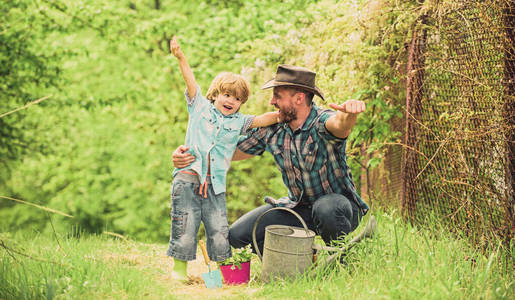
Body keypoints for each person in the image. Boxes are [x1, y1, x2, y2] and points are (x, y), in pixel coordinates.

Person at [172, 64, 369, 257]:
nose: (272, 102)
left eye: (278, 96)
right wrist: (188, 157)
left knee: (325, 208)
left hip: (340, 209)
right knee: (236, 236)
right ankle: (296, 262)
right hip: (298, 209)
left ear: (299, 98)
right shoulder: (273, 129)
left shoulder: (321, 121)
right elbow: (225, 151)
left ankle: (344, 261)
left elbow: (340, 125)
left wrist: (349, 114)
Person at [167, 36, 278, 281]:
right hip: (188, 178)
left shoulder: (239, 122)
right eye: (227, 95)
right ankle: (179, 270)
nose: (231, 101)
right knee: (185, 224)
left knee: (218, 230)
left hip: (215, 186)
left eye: (237, 99)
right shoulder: (199, 107)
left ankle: (217, 276)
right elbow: (190, 80)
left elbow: (262, 119)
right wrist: (180, 57)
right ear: (215, 94)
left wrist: (283, 114)